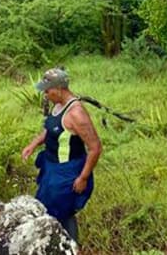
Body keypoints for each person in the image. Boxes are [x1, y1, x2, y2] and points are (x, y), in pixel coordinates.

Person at [20, 67, 102, 244]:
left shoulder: (76, 114)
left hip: (67, 172)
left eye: (47, 90)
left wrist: (83, 177)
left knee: (61, 212)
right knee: (45, 209)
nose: (45, 94)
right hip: (51, 168)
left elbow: (95, 148)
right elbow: (50, 129)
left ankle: (69, 247)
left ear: (59, 89)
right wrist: (33, 144)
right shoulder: (58, 105)